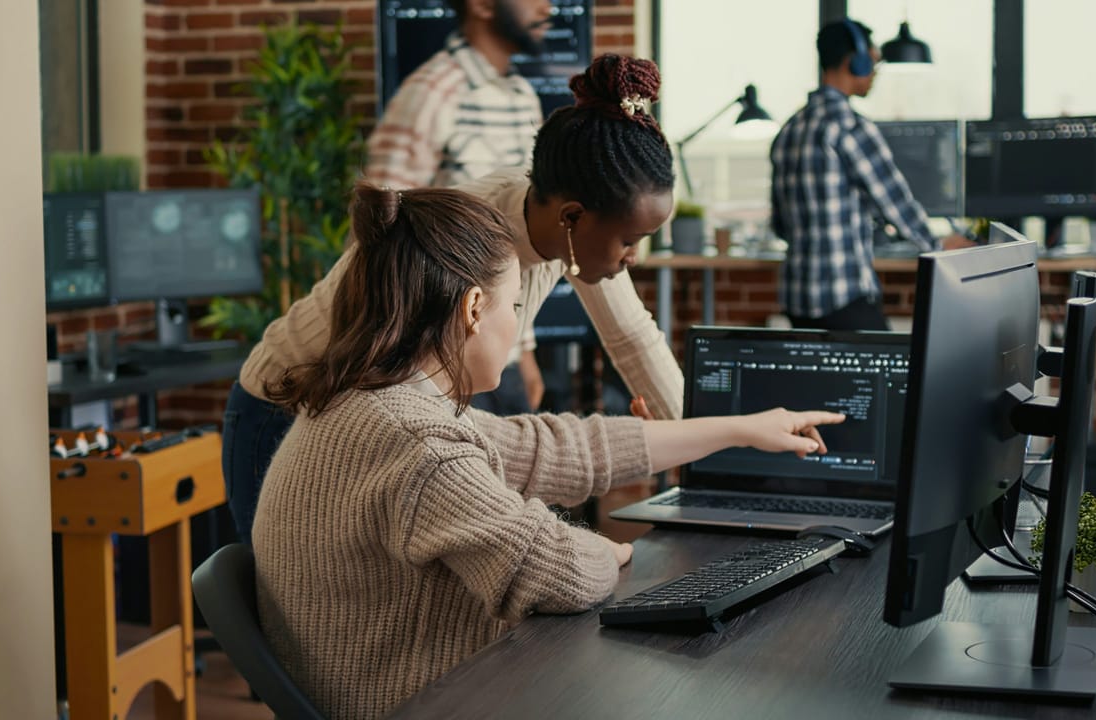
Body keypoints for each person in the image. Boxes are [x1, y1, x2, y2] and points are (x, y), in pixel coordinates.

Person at [253, 183, 846, 719]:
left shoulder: (368, 403)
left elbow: (559, 448)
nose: (517, 324)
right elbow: (558, 573)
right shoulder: (417, 444)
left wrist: (741, 427)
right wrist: (604, 549)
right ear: (473, 309)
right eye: (514, 306)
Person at [223, 54, 688, 544]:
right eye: (630, 240)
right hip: (284, 406)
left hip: (359, 407)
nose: (635, 257)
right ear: (572, 218)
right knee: (289, 583)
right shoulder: (467, 240)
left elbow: (632, 337)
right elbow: (402, 387)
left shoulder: (565, 224)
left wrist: (698, 445)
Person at [365, 0, 554, 412]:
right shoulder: (433, 90)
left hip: (501, 354)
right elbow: (378, 231)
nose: (548, 5)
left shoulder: (522, 97)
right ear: (482, 5)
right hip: (438, 364)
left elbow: (518, 245)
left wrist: (524, 353)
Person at [770, 18, 971, 332]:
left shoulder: (789, 130)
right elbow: (894, 201)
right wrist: (936, 243)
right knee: (892, 364)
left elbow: (780, 224)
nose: (875, 73)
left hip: (797, 298)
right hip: (842, 294)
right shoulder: (850, 126)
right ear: (855, 62)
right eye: (874, 62)